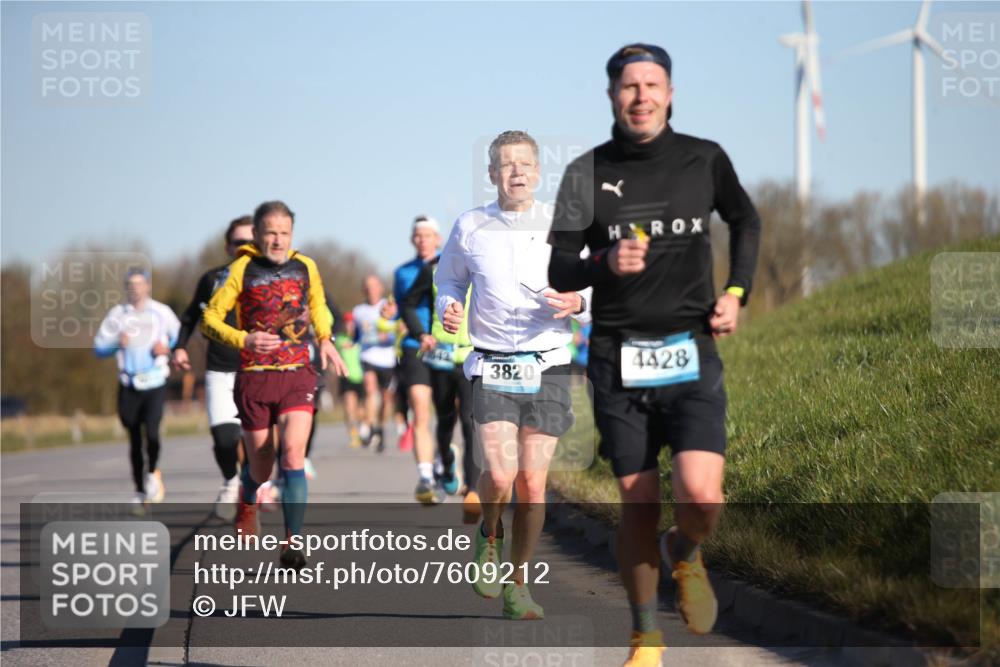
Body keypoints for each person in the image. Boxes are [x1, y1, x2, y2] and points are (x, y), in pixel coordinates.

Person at [547, 44, 762, 665]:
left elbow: (746, 220)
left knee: (702, 498)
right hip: (617, 357)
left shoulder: (704, 158)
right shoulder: (584, 173)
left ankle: (684, 550)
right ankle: (645, 638)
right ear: (611, 96)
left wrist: (736, 292)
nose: (641, 96)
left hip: (690, 349)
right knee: (638, 503)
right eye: (629, 86)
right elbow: (559, 268)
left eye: (652, 84)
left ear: (670, 93)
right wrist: (602, 261)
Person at [436, 130, 590, 620]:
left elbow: (596, 283)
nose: (516, 171)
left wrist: (579, 302)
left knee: (533, 484)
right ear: (492, 174)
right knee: (500, 476)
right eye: (506, 164)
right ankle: (489, 533)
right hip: (493, 362)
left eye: (524, 163)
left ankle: (518, 586)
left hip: (549, 362)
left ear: (538, 171)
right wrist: (448, 306)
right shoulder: (471, 225)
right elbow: (448, 280)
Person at [202, 200, 347, 569]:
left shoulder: (305, 266)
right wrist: (244, 339)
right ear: (257, 234)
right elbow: (210, 320)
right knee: (262, 466)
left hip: (298, 372)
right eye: (271, 233)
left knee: (293, 454)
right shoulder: (241, 269)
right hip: (255, 377)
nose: (278, 240)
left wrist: (325, 338)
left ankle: (293, 542)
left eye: (284, 233)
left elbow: (318, 305)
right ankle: (248, 496)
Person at [172, 215, 254, 519]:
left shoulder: (266, 278)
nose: (244, 247)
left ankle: (250, 494)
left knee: (255, 442)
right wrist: (180, 346)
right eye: (238, 242)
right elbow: (190, 316)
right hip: (220, 370)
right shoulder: (212, 279)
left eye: (251, 241)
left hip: (257, 371)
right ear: (228, 246)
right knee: (225, 439)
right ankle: (231, 481)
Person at [401, 250, 481, 523]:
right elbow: (408, 303)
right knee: (446, 419)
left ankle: (472, 490)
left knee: (470, 421)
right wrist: (421, 333)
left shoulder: (484, 266)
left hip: (472, 355)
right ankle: (446, 464)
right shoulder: (434, 269)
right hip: (441, 356)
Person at [95, 268, 181, 505]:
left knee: (152, 433)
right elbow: (98, 348)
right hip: (128, 383)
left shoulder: (161, 312)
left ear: (148, 286)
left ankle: (152, 472)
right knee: (133, 437)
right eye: (130, 285)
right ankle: (139, 490)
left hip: (155, 381)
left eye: (139, 284)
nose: (135, 289)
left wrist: (168, 348)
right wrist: (116, 343)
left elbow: (181, 337)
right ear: (126, 288)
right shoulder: (117, 315)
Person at [393, 216, 447, 504]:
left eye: (428, 235)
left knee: (448, 413)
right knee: (420, 409)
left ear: (438, 239)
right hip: (416, 345)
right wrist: (390, 312)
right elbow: (401, 307)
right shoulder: (402, 272)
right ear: (412, 239)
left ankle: (443, 457)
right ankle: (425, 477)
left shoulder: (451, 265)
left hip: (448, 347)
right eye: (418, 235)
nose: (423, 240)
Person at [352, 275, 397, 453]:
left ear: (380, 288)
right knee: (370, 390)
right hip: (367, 356)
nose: (371, 289)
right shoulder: (358, 310)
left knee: (386, 399)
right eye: (367, 286)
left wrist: (389, 336)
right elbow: (356, 335)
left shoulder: (389, 306)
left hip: (387, 358)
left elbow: (399, 328)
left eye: (374, 286)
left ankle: (380, 428)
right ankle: (369, 426)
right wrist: (352, 342)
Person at [334, 312, 366, 447]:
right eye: (346, 323)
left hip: (361, 376)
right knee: (349, 407)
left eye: (351, 323)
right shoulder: (340, 339)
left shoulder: (361, 338)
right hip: (346, 377)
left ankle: (364, 430)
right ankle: (353, 435)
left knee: (361, 410)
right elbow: (344, 346)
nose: (349, 326)